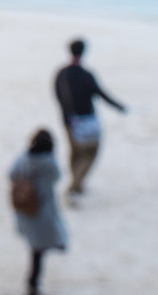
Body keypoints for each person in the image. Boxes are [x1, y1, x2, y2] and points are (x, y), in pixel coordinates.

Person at [53, 37, 127, 196]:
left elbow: (57, 95)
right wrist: (119, 107)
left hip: (68, 120)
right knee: (91, 153)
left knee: (75, 152)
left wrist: (66, 115)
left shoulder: (62, 73)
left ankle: (76, 183)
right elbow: (101, 94)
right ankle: (75, 185)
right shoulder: (86, 75)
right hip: (86, 120)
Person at [9, 128, 67, 295]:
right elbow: (57, 177)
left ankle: (33, 281)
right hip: (42, 212)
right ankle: (33, 284)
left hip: (24, 210)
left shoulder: (23, 158)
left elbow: (11, 174)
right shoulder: (49, 164)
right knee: (40, 248)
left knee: (35, 246)